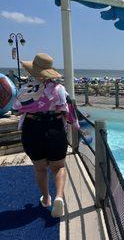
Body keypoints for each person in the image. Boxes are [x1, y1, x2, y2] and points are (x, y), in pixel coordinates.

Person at [12, 53, 78, 218]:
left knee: (40, 168)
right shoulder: (59, 89)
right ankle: (59, 197)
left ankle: (47, 199)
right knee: (59, 167)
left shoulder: (24, 90)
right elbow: (69, 112)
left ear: (32, 72)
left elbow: (16, 108)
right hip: (55, 128)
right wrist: (75, 125)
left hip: (32, 129)